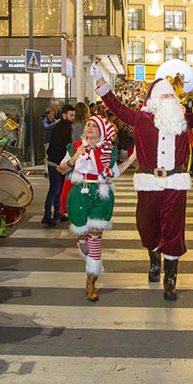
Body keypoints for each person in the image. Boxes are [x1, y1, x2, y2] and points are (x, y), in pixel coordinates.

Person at [95, 72, 193, 300]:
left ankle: (170, 278)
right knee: (147, 227)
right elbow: (117, 108)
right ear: (153, 100)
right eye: (163, 95)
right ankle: (154, 257)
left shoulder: (183, 121)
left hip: (175, 183)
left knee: (173, 229)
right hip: (148, 183)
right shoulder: (140, 119)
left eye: (171, 95)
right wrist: (102, 86)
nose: (168, 98)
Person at [57, 115, 136, 301]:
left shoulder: (108, 151)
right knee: (83, 238)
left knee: (95, 238)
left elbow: (115, 173)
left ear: (101, 131)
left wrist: (132, 158)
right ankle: (90, 257)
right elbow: (61, 169)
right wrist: (75, 157)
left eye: (94, 125)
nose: (90, 128)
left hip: (101, 195)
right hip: (79, 193)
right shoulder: (75, 147)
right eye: (88, 125)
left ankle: (91, 282)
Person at [43, 104, 75, 227]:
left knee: (59, 189)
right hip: (55, 163)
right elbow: (60, 147)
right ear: (64, 115)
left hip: (60, 163)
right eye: (71, 115)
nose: (72, 117)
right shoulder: (61, 127)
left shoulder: (65, 126)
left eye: (74, 115)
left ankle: (57, 213)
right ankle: (47, 216)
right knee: (54, 189)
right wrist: (61, 164)